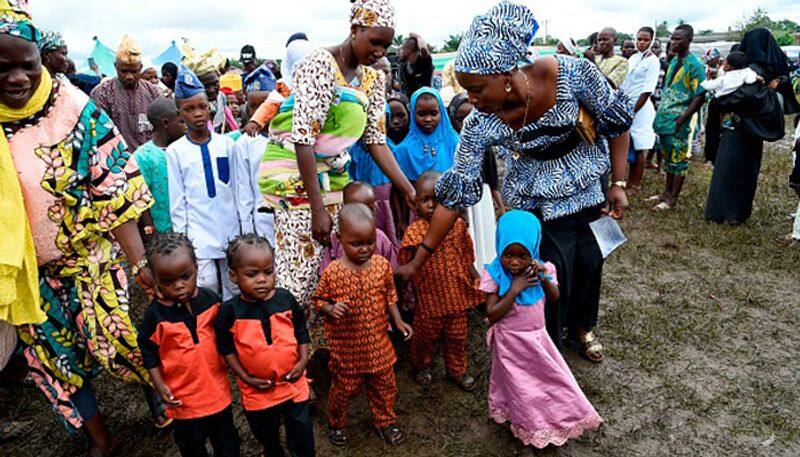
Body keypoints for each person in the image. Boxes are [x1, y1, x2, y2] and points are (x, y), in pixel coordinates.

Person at [397, 1, 632, 363]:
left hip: (586, 183)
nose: (471, 101)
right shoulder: (480, 122)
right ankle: (546, 346)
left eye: (477, 89)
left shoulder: (572, 74)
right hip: (533, 198)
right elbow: (457, 191)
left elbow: (616, 120)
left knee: (588, 260)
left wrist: (617, 182)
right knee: (547, 266)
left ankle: (583, 327)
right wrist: (420, 257)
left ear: (506, 75)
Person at [1, 4, 169, 453]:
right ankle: (101, 438)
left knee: (117, 340)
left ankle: (155, 394)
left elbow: (115, 187)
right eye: (3, 68)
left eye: (27, 66)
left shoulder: (73, 109)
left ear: (41, 61)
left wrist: (139, 265)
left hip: (88, 256)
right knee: (58, 359)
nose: (17, 77)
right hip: (26, 275)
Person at [257, 0, 415, 356]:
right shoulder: (318, 64)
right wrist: (317, 209)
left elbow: (376, 140)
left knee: (327, 268)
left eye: (386, 46)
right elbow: (302, 140)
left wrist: (406, 189)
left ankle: (316, 352)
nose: (379, 52)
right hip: (296, 178)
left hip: (334, 176)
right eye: (373, 42)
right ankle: (287, 358)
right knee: (298, 278)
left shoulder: (375, 77)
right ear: (354, 30)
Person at [480, 210, 603, 449]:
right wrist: (514, 289)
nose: (514, 262)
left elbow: (555, 297)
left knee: (545, 381)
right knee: (520, 389)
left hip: (537, 340)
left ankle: (551, 417)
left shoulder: (544, 269)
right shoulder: (494, 272)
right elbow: (492, 314)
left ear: (534, 249)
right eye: (508, 255)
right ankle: (525, 434)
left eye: (522, 256)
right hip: (510, 345)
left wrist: (545, 277)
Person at [312, 203, 413, 446]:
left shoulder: (381, 266)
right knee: (343, 389)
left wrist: (398, 321)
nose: (364, 249)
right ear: (340, 239)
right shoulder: (334, 272)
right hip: (346, 348)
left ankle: (385, 421)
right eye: (356, 244)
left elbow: (390, 296)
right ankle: (336, 424)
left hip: (378, 343)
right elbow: (318, 299)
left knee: (384, 384)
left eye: (369, 241)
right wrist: (330, 308)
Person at [137, 233, 241, 457]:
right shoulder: (155, 317)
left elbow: (227, 333)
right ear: (155, 280)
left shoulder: (211, 300)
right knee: (192, 448)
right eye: (167, 281)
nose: (179, 286)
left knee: (228, 444)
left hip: (217, 395)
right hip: (183, 403)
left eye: (185, 276)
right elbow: (148, 350)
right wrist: (159, 384)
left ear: (196, 268)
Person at [216, 235, 315, 457]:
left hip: (293, 383)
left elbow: (301, 331)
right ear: (233, 276)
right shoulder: (229, 312)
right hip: (258, 390)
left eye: (268, 272)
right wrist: (245, 377)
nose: (262, 279)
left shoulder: (285, 299)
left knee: (301, 431)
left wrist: (303, 360)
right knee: (265, 431)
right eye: (252, 274)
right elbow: (227, 349)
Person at [399, 172, 483, 390]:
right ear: (415, 204)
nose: (431, 205)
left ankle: (457, 370)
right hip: (429, 300)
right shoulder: (414, 233)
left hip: (456, 298)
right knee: (424, 338)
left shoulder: (456, 226)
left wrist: (474, 274)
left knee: (457, 337)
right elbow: (405, 266)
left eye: (436, 199)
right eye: (425, 200)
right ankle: (420, 365)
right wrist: (404, 296)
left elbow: (466, 254)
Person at [167, 66, 240, 300]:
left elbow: (238, 191)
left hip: (230, 230)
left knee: (234, 287)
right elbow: (177, 202)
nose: (197, 113)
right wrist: (184, 243)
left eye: (202, 107)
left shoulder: (227, 145)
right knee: (205, 288)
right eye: (189, 109)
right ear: (180, 115)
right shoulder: (175, 152)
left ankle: (233, 332)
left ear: (210, 107)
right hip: (198, 235)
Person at [704, 32, 787, 224]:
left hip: (740, 127)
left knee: (729, 167)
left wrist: (721, 102)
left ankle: (725, 212)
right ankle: (735, 212)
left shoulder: (755, 69)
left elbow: (744, 96)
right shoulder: (769, 68)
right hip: (752, 128)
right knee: (744, 170)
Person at [651, 24, 706, 211]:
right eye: (672, 38)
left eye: (678, 39)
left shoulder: (695, 65)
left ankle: (672, 200)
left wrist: (683, 118)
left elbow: (700, 95)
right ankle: (666, 193)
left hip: (679, 120)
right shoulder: (673, 61)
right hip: (665, 118)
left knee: (679, 158)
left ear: (689, 40)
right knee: (668, 157)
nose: (673, 42)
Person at [450, 92, 504, 269]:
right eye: (460, 119)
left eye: (470, 118)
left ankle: (486, 275)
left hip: (481, 198)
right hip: (459, 201)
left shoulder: (483, 142)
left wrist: (500, 208)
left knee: (485, 237)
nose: (465, 124)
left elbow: (492, 178)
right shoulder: (451, 143)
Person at [90, 34, 162, 151]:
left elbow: (161, 131)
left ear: (140, 68)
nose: (129, 76)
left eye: (134, 71)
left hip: (149, 161)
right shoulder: (101, 93)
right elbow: (99, 134)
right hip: (117, 162)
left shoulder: (154, 92)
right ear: (115, 66)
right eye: (123, 71)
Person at [133, 97, 187, 234]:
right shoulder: (144, 156)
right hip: (162, 232)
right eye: (182, 122)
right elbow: (141, 198)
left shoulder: (186, 148)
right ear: (165, 123)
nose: (186, 126)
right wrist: (151, 231)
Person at [320, 181, 398, 272]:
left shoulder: (381, 238)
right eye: (355, 244)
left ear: (374, 210)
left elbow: (393, 269)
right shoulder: (336, 240)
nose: (362, 215)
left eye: (370, 242)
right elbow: (324, 274)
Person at [620, 27, 660, 195]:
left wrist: (633, 110)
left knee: (639, 146)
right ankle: (626, 181)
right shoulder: (634, 58)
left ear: (652, 41)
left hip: (640, 108)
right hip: (627, 105)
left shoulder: (653, 61)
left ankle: (635, 185)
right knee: (627, 144)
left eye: (645, 40)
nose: (641, 43)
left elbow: (647, 90)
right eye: (639, 39)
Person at [394, 87, 459, 182]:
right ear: (412, 114)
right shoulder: (403, 150)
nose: (428, 119)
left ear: (442, 113)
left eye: (434, 113)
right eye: (421, 114)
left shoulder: (456, 144)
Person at [234, 95, 275, 244]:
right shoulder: (245, 143)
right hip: (262, 222)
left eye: (264, 105)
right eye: (253, 106)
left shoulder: (290, 135)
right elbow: (243, 190)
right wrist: (248, 232)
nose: (259, 111)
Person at [397, 32, 433, 98]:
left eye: (403, 49)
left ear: (408, 50)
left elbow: (423, 48)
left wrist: (417, 36)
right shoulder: (404, 65)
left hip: (425, 99)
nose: (400, 51)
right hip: (411, 101)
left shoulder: (424, 61)